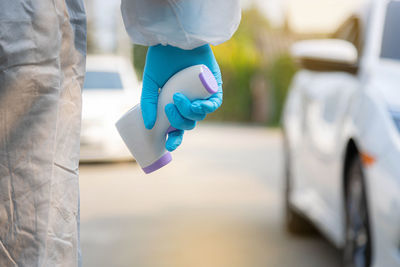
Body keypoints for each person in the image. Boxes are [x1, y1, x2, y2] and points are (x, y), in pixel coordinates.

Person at [0, 0, 241, 266]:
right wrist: (179, 32)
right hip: (23, 28)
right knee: (27, 238)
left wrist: (178, 33)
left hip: (22, 29)